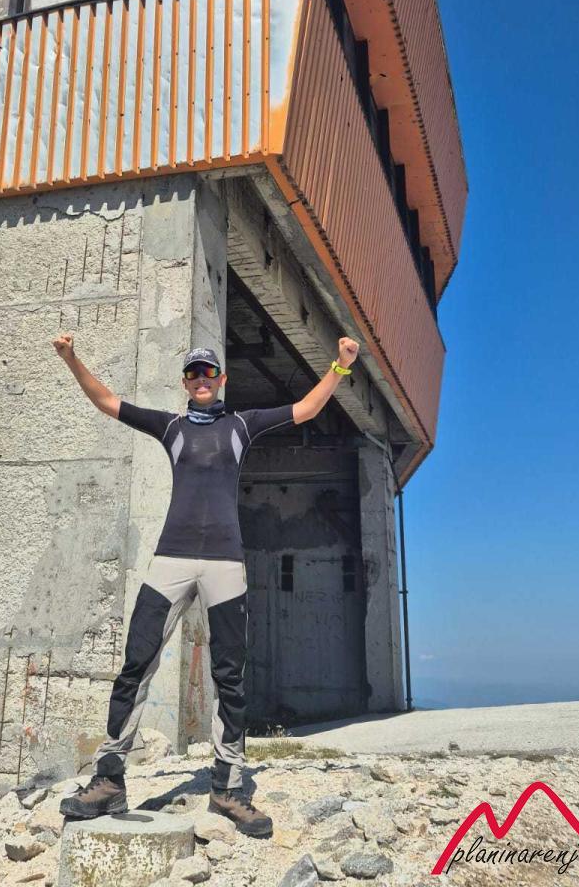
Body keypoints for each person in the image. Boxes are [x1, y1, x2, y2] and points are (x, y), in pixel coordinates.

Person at [50, 331, 360, 837]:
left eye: (208, 372)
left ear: (221, 380)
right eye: (193, 373)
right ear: (185, 383)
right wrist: (71, 358)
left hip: (225, 563)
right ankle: (109, 780)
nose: (201, 379)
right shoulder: (169, 427)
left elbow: (306, 409)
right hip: (170, 559)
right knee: (136, 663)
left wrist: (341, 365)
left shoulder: (242, 424)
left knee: (230, 675)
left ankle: (228, 788)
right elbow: (106, 401)